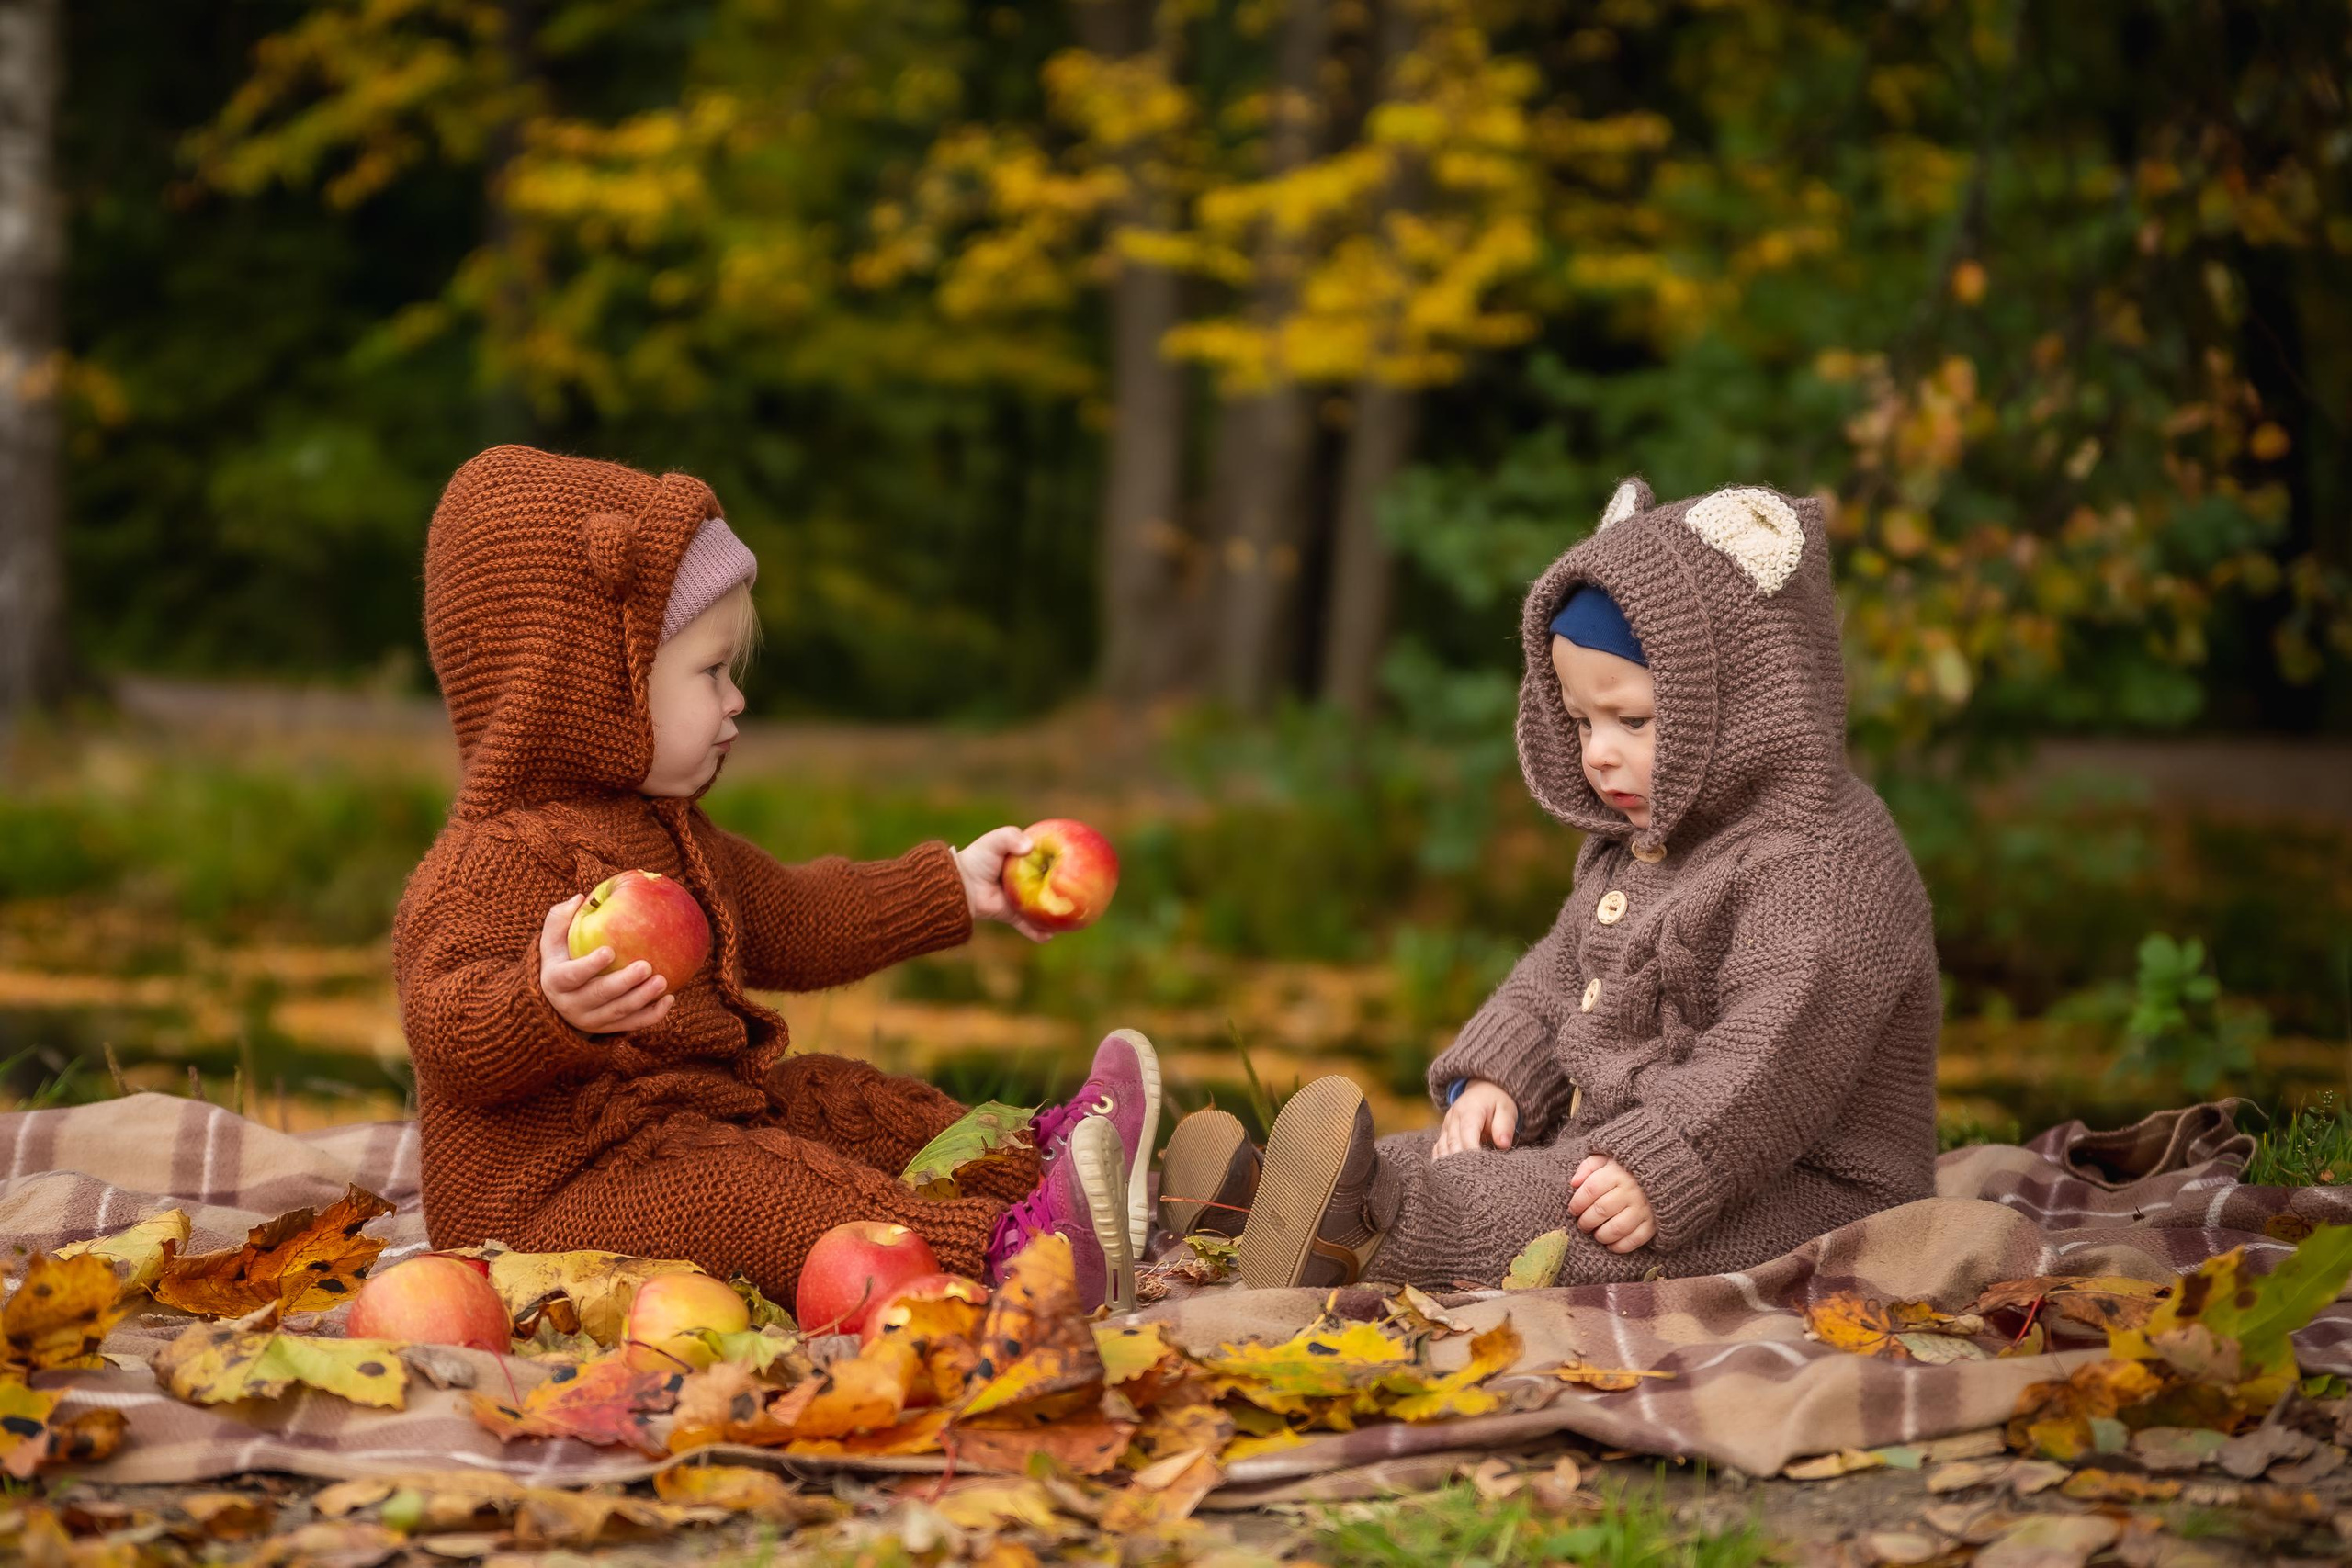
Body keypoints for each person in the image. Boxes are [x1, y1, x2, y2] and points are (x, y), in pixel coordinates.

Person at [393, 446, 1159, 1312]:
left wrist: (952, 884)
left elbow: (799, 913)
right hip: (549, 1199)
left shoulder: (672, 833)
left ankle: (1052, 1162)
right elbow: (443, 1023)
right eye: (711, 673)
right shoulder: (485, 862)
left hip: (690, 1126)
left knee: (837, 1097)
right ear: (590, 687)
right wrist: (544, 1005)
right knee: (747, 1188)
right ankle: (1012, 1251)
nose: (735, 701)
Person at [1159, 479, 1941, 1290]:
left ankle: (1361, 1233)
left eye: (1631, 721)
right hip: (1617, 1142)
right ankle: (1256, 1208)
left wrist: (1671, 1155)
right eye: (1580, 721)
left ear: (1744, 703)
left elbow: (1779, 1054)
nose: (1598, 753)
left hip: (1791, 1182)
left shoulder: (1826, 862)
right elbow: (1558, 977)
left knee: (1531, 1214)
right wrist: (1497, 1075)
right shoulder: (1641, 846)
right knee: (1439, 1155)